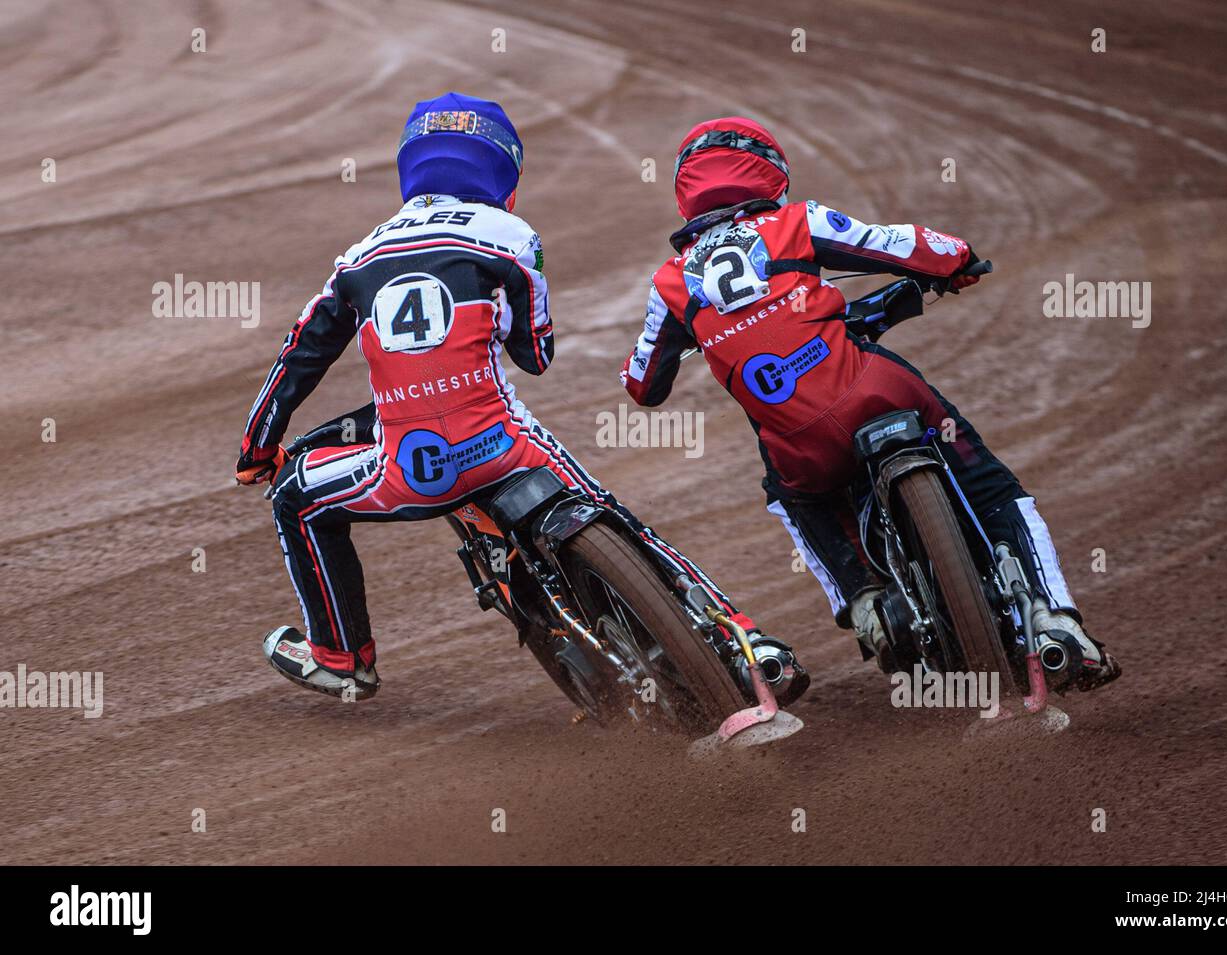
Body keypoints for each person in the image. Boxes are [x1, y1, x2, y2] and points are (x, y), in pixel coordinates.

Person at [236, 94, 793, 701]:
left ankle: (343, 657)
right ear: (502, 170)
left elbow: (300, 356)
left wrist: (257, 450)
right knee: (618, 517)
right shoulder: (511, 235)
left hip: (403, 469)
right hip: (504, 446)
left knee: (295, 496)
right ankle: (746, 642)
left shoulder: (356, 258)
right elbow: (536, 355)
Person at [620, 117, 1119, 691]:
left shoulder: (670, 281)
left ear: (686, 192)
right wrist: (958, 260)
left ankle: (865, 603)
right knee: (988, 481)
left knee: (790, 498)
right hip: (872, 391)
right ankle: (1055, 620)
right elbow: (900, 246)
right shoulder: (794, 222)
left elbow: (641, 385)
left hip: (800, 447)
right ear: (771, 174)